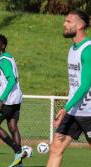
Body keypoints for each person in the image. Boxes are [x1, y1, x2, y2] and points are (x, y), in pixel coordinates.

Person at [47, 10, 91, 167]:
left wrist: (65, 108)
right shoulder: (73, 49)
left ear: (80, 25)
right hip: (74, 110)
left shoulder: (88, 49)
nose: (64, 24)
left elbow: (86, 85)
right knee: (55, 148)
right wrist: (68, 108)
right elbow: (75, 85)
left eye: (68, 21)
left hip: (88, 112)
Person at [0, 34, 26, 167]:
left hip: (9, 100)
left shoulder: (3, 60)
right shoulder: (9, 57)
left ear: (3, 46)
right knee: (12, 127)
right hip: (17, 98)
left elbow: (12, 79)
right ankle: (19, 163)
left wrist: (2, 99)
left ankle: (18, 150)